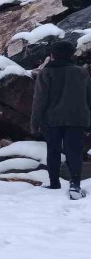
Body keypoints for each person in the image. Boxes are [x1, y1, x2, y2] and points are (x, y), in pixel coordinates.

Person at [31, 40, 91, 199]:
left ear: (53, 55)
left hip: (52, 119)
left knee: (53, 151)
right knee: (74, 151)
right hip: (77, 118)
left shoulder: (46, 73)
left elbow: (39, 100)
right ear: (71, 55)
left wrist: (34, 123)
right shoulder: (81, 72)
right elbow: (89, 97)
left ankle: (54, 182)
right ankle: (75, 184)